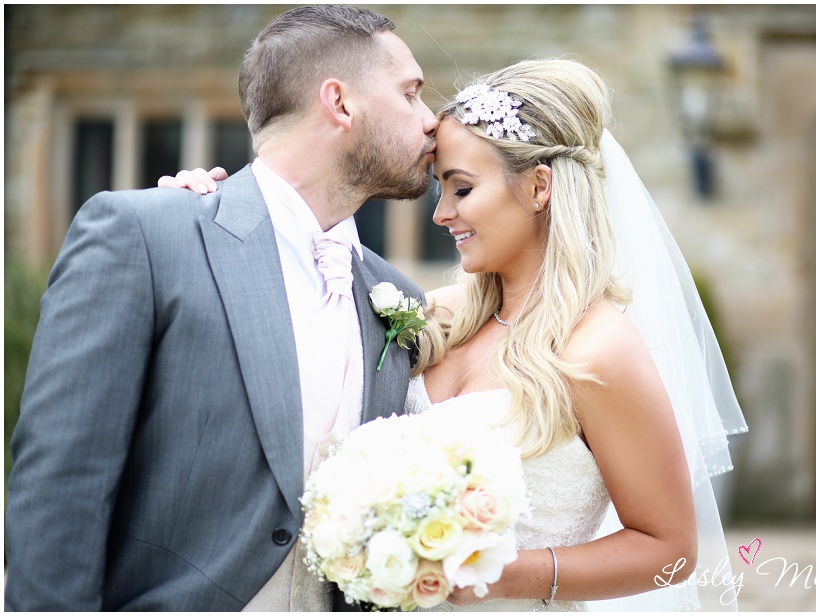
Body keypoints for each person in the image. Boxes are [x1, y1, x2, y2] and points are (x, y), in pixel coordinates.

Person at [166, 58, 748, 611]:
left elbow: (670, 549)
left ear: (539, 187)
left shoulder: (598, 350)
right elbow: (290, 331)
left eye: (462, 188)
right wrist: (205, 221)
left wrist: (504, 573)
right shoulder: (433, 317)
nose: (441, 213)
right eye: (439, 189)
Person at [4, 5, 437, 611]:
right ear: (340, 103)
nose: (431, 120)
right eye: (411, 94)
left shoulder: (396, 297)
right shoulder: (149, 235)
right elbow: (61, 485)